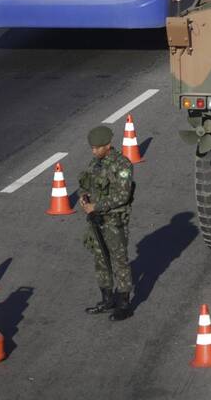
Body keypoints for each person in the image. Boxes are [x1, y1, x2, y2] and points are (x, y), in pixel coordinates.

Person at [78, 125, 135, 321]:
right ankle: (107, 298)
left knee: (120, 261)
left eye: (97, 147)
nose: (94, 151)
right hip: (96, 220)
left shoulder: (122, 165)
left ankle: (124, 303)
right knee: (100, 259)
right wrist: (83, 197)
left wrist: (97, 206)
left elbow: (123, 195)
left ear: (108, 145)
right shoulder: (95, 164)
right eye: (92, 148)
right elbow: (85, 185)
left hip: (114, 220)